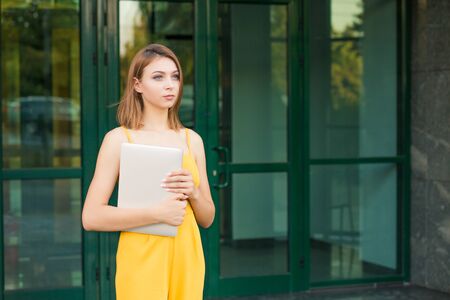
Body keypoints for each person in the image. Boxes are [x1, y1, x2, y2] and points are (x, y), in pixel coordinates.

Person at [81, 43, 215, 300]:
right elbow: (91, 216)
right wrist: (156, 213)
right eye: (158, 77)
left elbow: (207, 219)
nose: (170, 85)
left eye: (175, 76)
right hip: (141, 256)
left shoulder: (192, 140)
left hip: (187, 256)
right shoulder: (119, 139)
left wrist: (194, 193)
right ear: (137, 85)